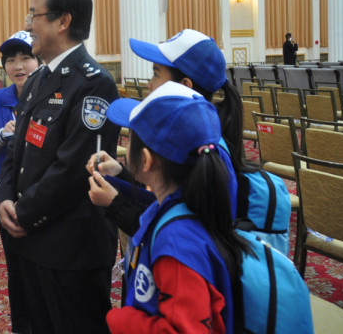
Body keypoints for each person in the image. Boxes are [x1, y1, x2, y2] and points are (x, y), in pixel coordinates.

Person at [0, 0, 120, 334]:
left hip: (70, 247)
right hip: (31, 238)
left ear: (63, 21)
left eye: (34, 15)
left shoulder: (94, 82)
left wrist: (24, 212)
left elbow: (75, 169)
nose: (27, 24)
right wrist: (3, 195)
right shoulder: (37, 79)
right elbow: (16, 146)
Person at [96, 81, 250, 333]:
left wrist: (123, 321)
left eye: (130, 137)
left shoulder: (177, 243)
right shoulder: (175, 208)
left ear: (145, 160)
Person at [86, 29, 243, 238]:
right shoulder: (194, 138)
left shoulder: (205, 149)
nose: (148, 84)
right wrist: (120, 176)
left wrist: (116, 205)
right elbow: (165, 200)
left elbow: (178, 228)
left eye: (156, 73)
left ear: (185, 85)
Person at [0, 30, 40, 334]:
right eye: (11, 60)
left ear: (39, 60)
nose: (18, 65)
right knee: (17, 272)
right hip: (6, 199)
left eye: (25, 57)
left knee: (42, 272)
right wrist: (3, 134)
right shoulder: (0, 100)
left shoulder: (53, 97)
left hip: (42, 200)